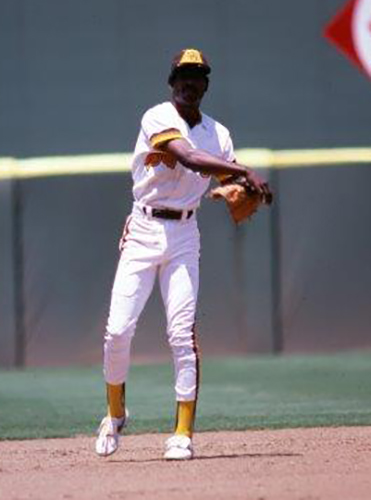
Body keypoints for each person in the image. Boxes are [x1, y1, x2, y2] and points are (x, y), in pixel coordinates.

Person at [95, 48, 271, 460]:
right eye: (182, 76)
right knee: (117, 331)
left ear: (206, 85)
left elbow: (221, 168)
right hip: (142, 230)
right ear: (171, 83)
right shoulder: (157, 117)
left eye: (197, 76)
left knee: (181, 333)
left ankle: (183, 433)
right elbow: (189, 157)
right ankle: (115, 413)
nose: (189, 83)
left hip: (184, 234)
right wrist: (243, 171)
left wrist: (245, 184)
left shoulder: (219, 134)